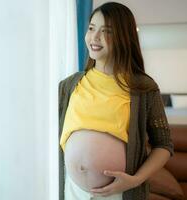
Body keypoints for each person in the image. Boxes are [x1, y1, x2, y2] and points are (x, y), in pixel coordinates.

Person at [58, 2, 174, 200]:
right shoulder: (69, 85)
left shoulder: (143, 87)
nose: (95, 37)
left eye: (107, 31)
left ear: (124, 37)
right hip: (73, 191)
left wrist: (136, 180)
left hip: (119, 193)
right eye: (92, 28)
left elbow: (164, 145)